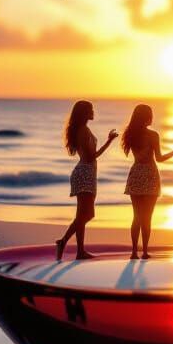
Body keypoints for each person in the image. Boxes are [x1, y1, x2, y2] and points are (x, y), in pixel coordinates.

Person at [121, 103, 173, 259]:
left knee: (136, 216)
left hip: (136, 173)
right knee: (147, 217)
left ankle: (134, 252)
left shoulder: (130, 134)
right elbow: (160, 158)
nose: (152, 117)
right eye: (150, 114)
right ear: (146, 117)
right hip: (150, 175)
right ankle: (144, 251)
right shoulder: (153, 135)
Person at [55, 101, 118, 261]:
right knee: (87, 214)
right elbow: (91, 156)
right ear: (84, 112)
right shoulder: (83, 130)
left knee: (82, 215)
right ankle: (63, 242)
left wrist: (109, 141)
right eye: (90, 109)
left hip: (85, 173)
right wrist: (109, 142)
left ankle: (79, 251)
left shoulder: (82, 129)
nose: (93, 111)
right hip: (85, 174)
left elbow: (91, 155)